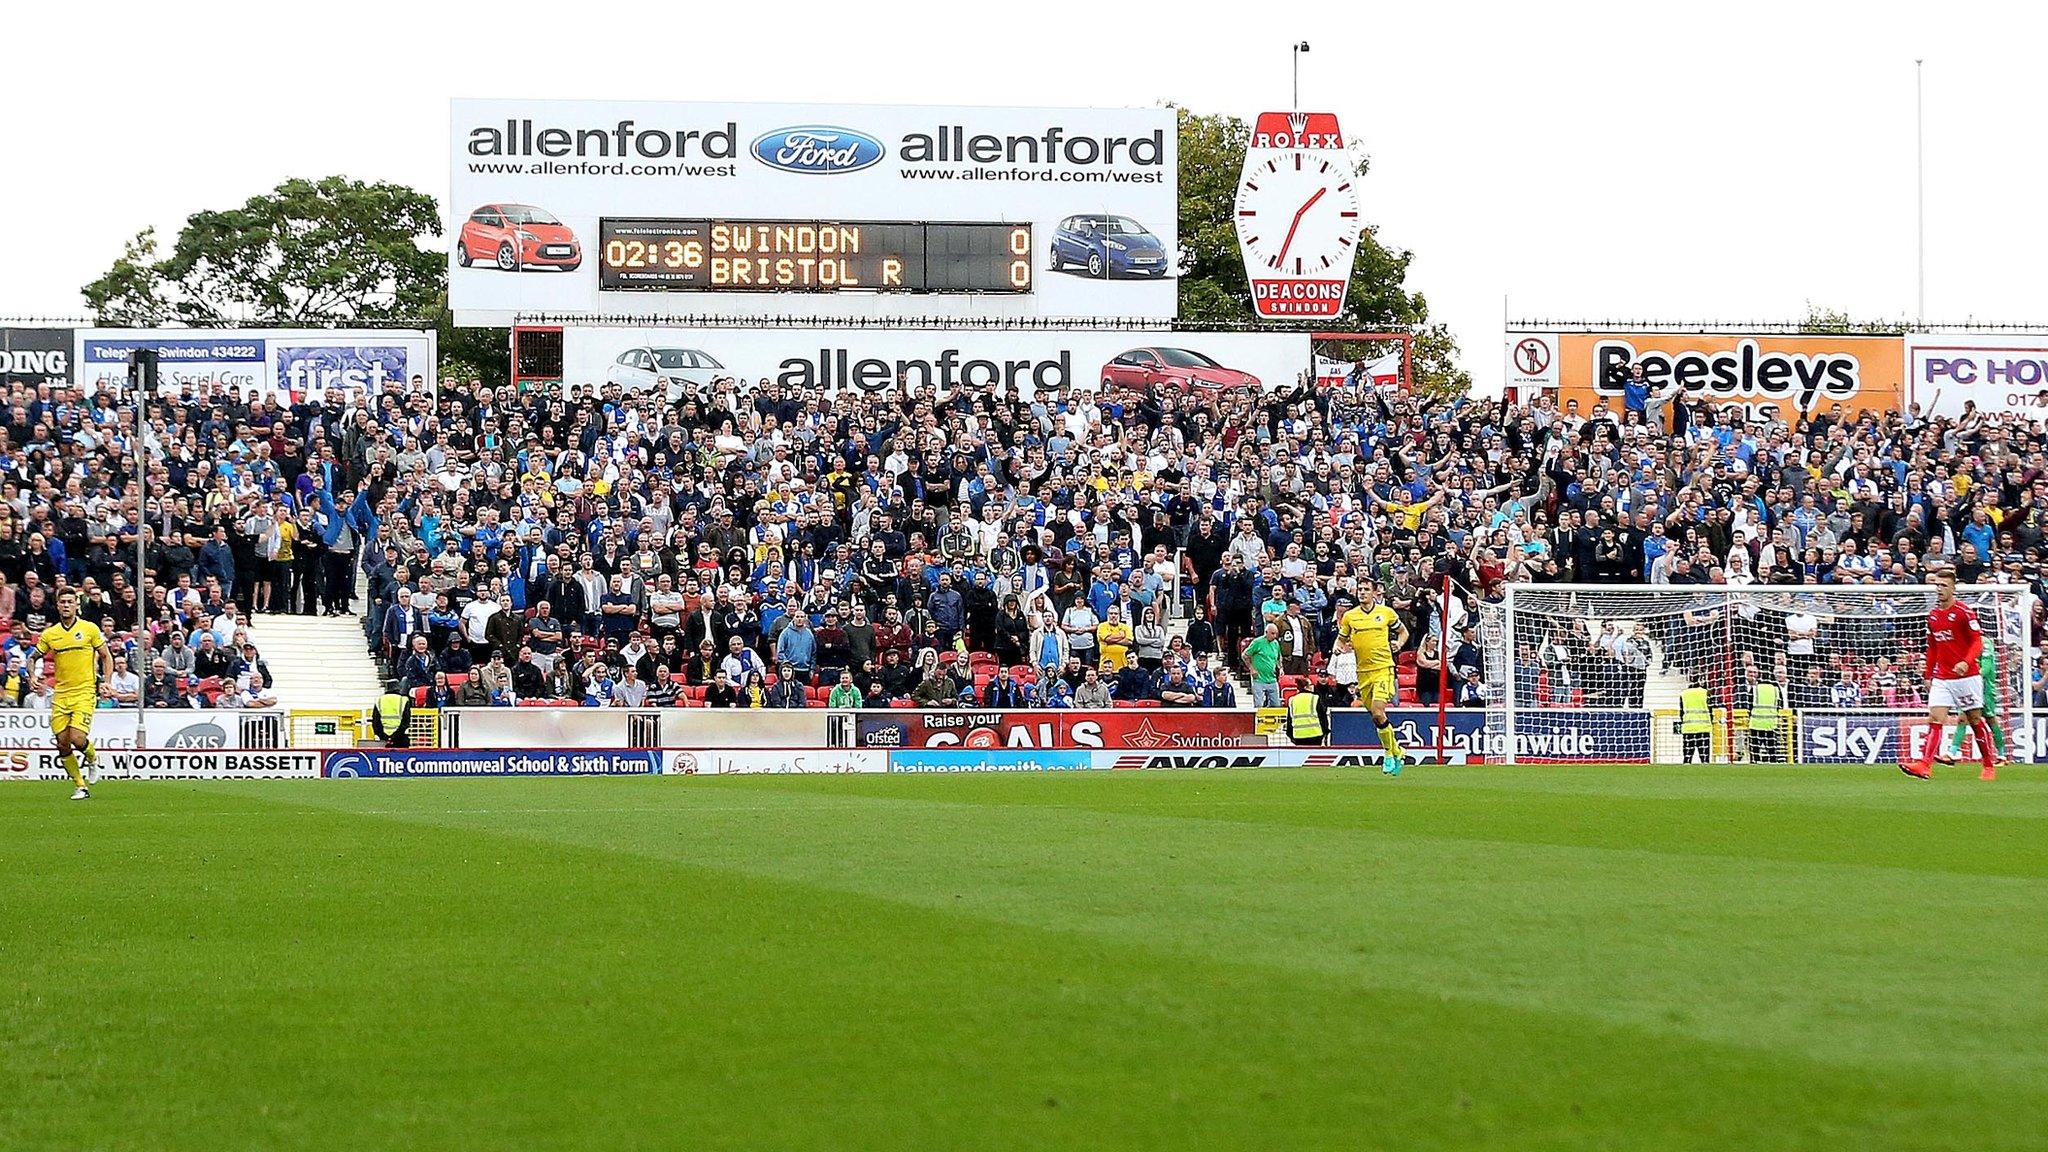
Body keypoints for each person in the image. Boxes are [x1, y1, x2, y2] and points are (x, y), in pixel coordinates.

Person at [1904, 567, 2000, 780]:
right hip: (1943, 677)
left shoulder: (1964, 613)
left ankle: (1988, 764)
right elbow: (1932, 647)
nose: (1939, 589)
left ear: (1953, 588)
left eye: (1943, 585)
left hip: (1967, 677)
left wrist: (1966, 662)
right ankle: (1924, 765)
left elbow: (1976, 641)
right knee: (1935, 718)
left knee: (1975, 719)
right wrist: (1928, 675)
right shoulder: (1933, 615)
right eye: (1936, 585)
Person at [30, 589, 113, 800]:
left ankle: (93, 759)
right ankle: (80, 786)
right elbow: (33, 658)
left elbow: (106, 656)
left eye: (70, 601)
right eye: (62, 602)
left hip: (84, 691)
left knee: (77, 737)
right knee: (62, 742)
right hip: (61, 694)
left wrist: (107, 681)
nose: (66, 605)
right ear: (57, 606)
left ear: (76, 605)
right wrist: (31, 675)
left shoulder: (89, 629)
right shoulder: (50, 634)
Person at [1337, 584, 1410, 776]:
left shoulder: (1386, 613)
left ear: (1374, 592)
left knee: (1378, 712)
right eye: (1359, 589)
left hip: (1383, 669)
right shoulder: (1350, 616)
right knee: (1377, 717)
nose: (1362, 592)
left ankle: (1387, 754)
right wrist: (1337, 647)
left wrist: (1399, 644)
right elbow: (1341, 638)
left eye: (1366, 589)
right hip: (1363, 673)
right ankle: (1397, 750)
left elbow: (1404, 632)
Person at [1939, 630, 2009, 767]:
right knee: (1962, 719)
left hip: (1984, 688)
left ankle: (2002, 755)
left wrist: (1970, 677)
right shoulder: (1962, 643)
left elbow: (1987, 668)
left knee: (1990, 719)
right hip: (1968, 686)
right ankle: (1952, 753)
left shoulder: (1984, 642)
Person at [1243, 623, 1283, 709]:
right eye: (1272, 633)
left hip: (1272, 679)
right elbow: (1245, 655)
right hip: (1259, 678)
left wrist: (1280, 667)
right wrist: (1251, 669)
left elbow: (1279, 657)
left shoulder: (1275, 643)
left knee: (1276, 705)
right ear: (1266, 632)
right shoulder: (1257, 642)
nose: (1274, 636)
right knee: (1259, 705)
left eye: (1276, 633)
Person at [1285, 676, 1327, 746]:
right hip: (1315, 735)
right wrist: (1325, 732)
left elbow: (1289, 720)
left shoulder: (1292, 700)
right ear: (1306, 687)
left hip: (1298, 736)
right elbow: (1322, 717)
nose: (1313, 687)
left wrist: (1291, 736)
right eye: (1311, 685)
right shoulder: (1315, 698)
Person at [1677, 683, 1713, 764]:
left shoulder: (1684, 694)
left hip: (1688, 729)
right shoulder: (1706, 692)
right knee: (1705, 760)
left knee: (1687, 759)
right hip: (1704, 728)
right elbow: (1711, 710)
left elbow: (1681, 712)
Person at [371, 679, 413, 748]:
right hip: (400, 738)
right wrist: (394, 737)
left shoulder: (379, 700)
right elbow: (406, 722)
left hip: (383, 739)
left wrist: (384, 737)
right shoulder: (403, 700)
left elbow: (376, 721)